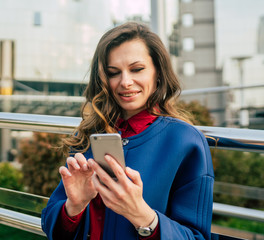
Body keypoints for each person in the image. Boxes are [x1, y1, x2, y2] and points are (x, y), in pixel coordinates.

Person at [41, 22, 214, 240]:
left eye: (137, 69)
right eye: (114, 73)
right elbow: (51, 225)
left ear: (158, 73)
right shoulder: (89, 135)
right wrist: (73, 207)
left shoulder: (186, 142)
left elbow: (197, 236)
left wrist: (144, 218)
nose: (125, 82)